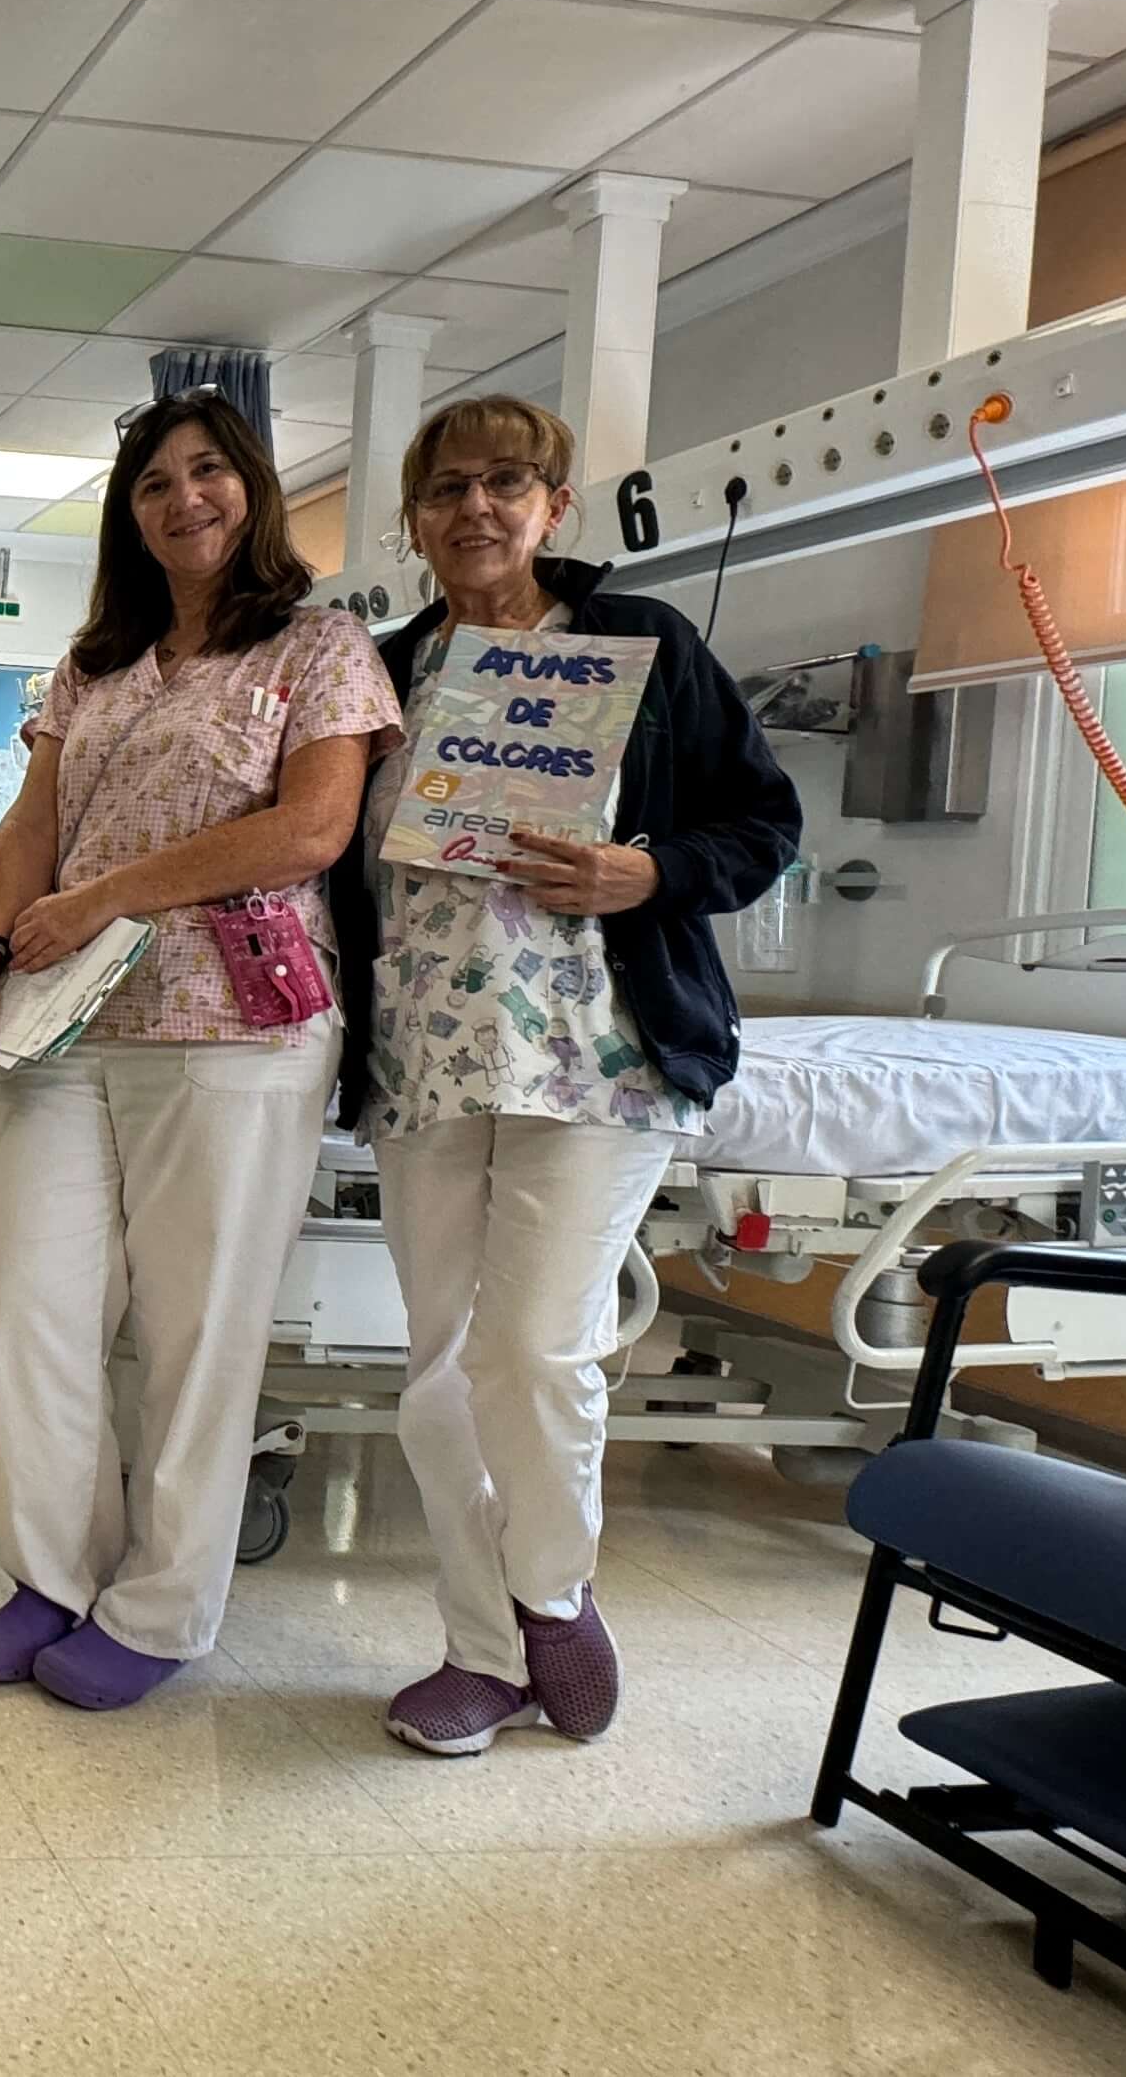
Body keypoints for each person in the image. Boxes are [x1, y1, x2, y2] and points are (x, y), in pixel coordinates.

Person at [325, 395, 800, 1756]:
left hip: (595, 1049)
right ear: (412, 521)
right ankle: (480, 1652)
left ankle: (550, 1596)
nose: (475, 508)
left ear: (555, 505)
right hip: (424, 1050)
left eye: (506, 483)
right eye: (446, 489)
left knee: (532, 1349)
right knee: (432, 1373)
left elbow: (763, 819)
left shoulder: (644, 645)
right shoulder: (382, 670)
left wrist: (648, 870)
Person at [0, 391, 397, 1711]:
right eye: (153, 485)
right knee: (30, 1302)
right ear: (126, 517)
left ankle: (160, 1606)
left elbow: (311, 829)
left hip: (236, 1022)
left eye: (208, 474)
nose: (183, 500)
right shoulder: (92, 664)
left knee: (199, 1326)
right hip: (71, 1011)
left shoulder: (321, 649)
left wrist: (115, 891)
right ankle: (47, 1575)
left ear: (250, 488)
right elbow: (34, 828)